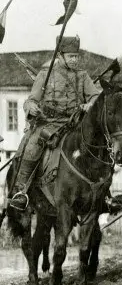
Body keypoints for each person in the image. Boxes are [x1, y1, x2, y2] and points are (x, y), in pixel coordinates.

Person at [8, 36, 101, 210]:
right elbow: (30, 100)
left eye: (77, 56)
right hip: (48, 123)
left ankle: (103, 194)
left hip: (74, 124)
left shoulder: (83, 76)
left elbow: (96, 96)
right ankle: (21, 191)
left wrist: (90, 104)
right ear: (60, 55)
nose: (75, 60)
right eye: (71, 56)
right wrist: (32, 107)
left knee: (96, 146)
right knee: (31, 147)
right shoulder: (45, 75)